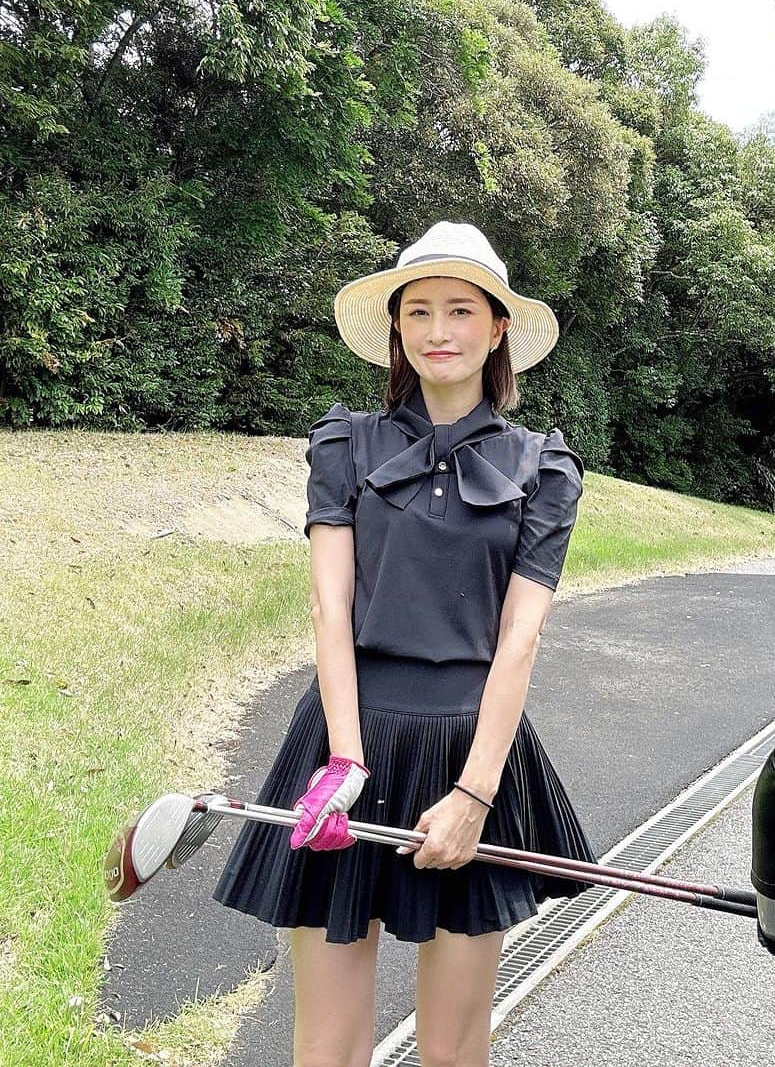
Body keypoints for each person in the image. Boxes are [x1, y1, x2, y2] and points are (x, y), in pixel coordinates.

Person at [212, 220, 597, 1067]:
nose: (437, 331)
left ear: (498, 327)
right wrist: (343, 763)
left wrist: (475, 795)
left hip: (472, 748)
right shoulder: (344, 443)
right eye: (417, 311)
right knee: (327, 1045)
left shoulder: (544, 467)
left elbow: (520, 638)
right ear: (397, 329)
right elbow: (327, 605)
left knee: (455, 1048)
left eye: (460, 311)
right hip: (344, 743)